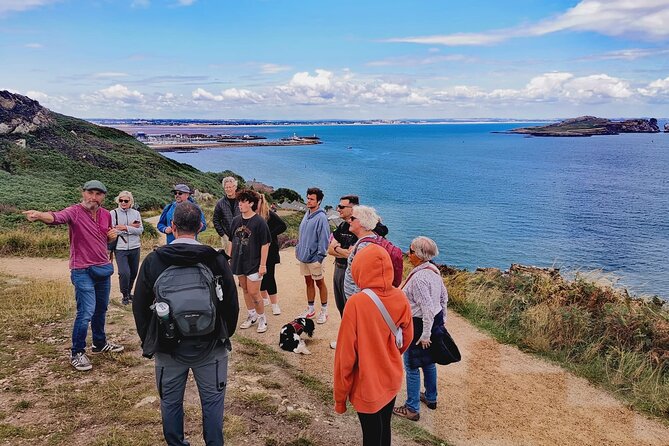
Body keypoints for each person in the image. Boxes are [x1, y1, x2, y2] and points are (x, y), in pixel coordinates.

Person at [133, 200, 239, 446]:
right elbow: (231, 304)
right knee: (212, 404)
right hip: (211, 347)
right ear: (200, 226)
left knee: (170, 402)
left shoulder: (154, 261)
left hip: (168, 347)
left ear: (172, 225)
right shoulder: (215, 259)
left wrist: (153, 340)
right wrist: (223, 335)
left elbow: (139, 307)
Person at [23, 180, 124, 372]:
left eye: (98, 194)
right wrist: (38, 215)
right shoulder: (74, 211)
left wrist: (112, 238)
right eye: (90, 193)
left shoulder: (106, 214)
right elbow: (56, 217)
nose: (93, 198)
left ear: (103, 197)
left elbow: (106, 239)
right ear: (83, 193)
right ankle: (77, 352)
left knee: (101, 309)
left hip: (102, 268)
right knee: (86, 311)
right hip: (82, 270)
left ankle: (99, 344)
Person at [334, 244, 413, 446]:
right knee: (384, 427)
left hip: (366, 384)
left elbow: (345, 356)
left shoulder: (357, 303)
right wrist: (389, 355)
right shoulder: (400, 297)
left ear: (359, 269)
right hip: (391, 377)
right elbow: (407, 338)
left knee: (370, 435)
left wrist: (340, 398)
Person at [393, 236, 449, 422]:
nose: (407, 254)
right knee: (429, 361)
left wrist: (425, 334)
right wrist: (442, 321)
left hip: (419, 324)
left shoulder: (419, 278)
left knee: (412, 365)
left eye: (410, 251)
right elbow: (443, 298)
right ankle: (431, 398)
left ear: (418, 254)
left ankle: (412, 408)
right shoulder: (433, 270)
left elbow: (425, 308)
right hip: (434, 321)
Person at [328, 195, 389, 317]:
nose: (338, 209)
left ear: (353, 208)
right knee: (342, 307)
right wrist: (341, 250)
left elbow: (354, 254)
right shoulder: (343, 226)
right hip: (339, 269)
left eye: (341, 206)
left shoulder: (364, 228)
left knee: (353, 309)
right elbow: (330, 249)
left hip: (354, 273)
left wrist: (338, 248)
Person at [230, 189, 272, 333]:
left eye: (243, 201)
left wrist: (262, 265)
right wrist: (229, 259)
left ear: (251, 203)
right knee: (245, 290)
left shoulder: (259, 222)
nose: (240, 204)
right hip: (239, 262)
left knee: (254, 293)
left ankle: (262, 318)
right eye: (239, 201)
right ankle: (251, 315)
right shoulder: (236, 220)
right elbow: (231, 241)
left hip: (254, 263)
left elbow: (265, 244)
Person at [295, 187, 330, 323]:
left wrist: (319, 258)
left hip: (315, 258)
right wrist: (298, 249)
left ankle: (324, 311)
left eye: (311, 199)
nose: (308, 201)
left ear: (319, 201)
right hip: (304, 257)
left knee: (320, 283)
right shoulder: (307, 213)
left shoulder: (321, 217)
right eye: (308, 198)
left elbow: (324, 238)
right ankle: (310, 309)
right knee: (308, 282)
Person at [342, 205, 385, 302]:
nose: (349, 221)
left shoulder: (364, 247)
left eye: (352, 218)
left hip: (357, 301)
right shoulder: (371, 239)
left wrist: (356, 303)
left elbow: (362, 281)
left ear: (362, 222)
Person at [110, 190, 143, 305]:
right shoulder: (113, 213)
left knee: (133, 272)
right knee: (124, 273)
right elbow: (112, 230)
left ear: (131, 202)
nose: (123, 202)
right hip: (120, 248)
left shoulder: (136, 213)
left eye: (126, 200)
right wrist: (130, 227)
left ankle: (129, 293)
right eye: (121, 200)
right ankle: (124, 295)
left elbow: (140, 230)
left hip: (135, 247)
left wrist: (124, 228)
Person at [257, 193, 287, 316]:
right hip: (257, 250)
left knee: (269, 277)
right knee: (259, 276)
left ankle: (275, 304)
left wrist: (269, 235)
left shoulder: (269, 214)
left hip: (270, 250)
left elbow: (283, 226)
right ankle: (264, 300)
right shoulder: (253, 214)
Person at [212, 176, 240, 256]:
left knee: (240, 259)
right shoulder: (220, 203)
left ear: (235, 187)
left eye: (230, 187)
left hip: (241, 235)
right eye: (226, 187)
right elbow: (216, 220)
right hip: (226, 237)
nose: (228, 189)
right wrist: (223, 235)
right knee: (228, 260)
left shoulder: (241, 200)